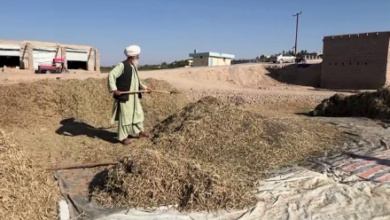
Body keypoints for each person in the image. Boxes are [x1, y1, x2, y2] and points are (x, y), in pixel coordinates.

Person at [108, 45, 151, 145]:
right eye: (137, 54)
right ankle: (122, 137)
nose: (139, 56)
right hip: (125, 96)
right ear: (133, 55)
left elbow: (137, 80)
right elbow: (111, 75)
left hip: (134, 96)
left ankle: (140, 132)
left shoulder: (133, 65)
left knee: (138, 113)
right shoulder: (122, 65)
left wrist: (145, 88)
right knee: (125, 116)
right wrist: (114, 89)